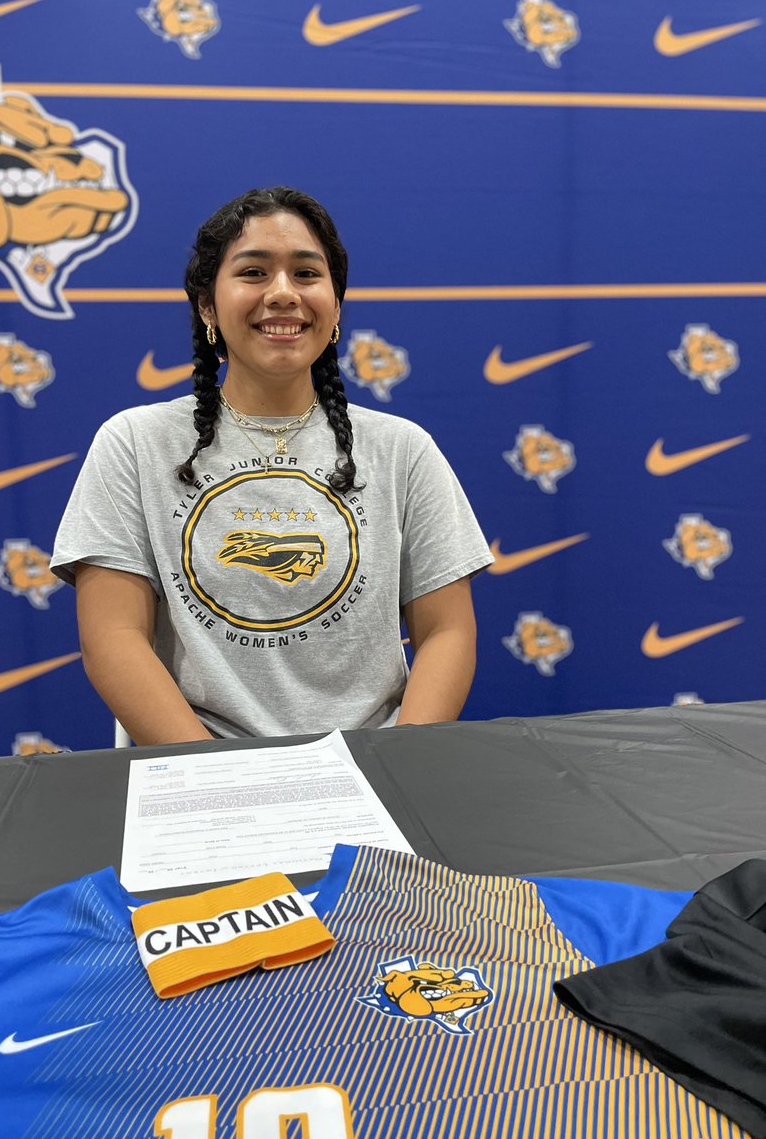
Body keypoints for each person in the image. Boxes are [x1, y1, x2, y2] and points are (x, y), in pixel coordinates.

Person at [51, 186, 492, 744]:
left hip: (370, 775)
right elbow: (112, 638)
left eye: (307, 274)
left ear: (336, 304)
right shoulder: (133, 443)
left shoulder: (403, 449)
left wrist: (395, 766)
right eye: (254, 273)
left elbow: (447, 633)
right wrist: (226, 781)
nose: (283, 293)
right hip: (195, 775)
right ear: (207, 305)